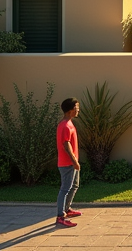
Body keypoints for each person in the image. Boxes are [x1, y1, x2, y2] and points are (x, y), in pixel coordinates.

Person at [55, 97, 81, 228]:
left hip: (71, 163)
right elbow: (66, 145)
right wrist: (74, 161)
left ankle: (67, 209)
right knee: (65, 189)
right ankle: (60, 216)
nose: (78, 110)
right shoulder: (65, 125)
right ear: (70, 110)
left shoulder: (69, 123)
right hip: (67, 164)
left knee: (74, 186)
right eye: (76, 108)